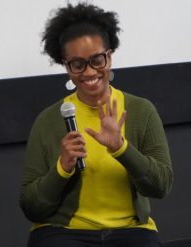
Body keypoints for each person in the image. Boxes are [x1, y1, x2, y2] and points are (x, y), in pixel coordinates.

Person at [19, 2, 173, 247]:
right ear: (66, 66)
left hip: (130, 231)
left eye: (97, 60)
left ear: (109, 57)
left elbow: (161, 186)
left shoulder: (142, 111)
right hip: (64, 232)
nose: (89, 72)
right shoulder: (48, 120)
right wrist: (62, 168)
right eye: (77, 64)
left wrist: (121, 148)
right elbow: (31, 207)